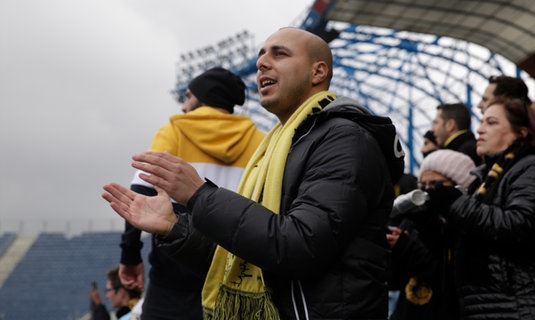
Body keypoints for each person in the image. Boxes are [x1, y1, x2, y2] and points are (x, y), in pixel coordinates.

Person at [103, 27, 405, 319]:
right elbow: (248, 257)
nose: (261, 63)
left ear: (318, 72)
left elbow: (298, 247)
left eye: (280, 53)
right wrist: (174, 227)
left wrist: (199, 195)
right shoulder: (273, 146)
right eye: (261, 55)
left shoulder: (345, 140)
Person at [118, 67, 265, 320]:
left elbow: (139, 196)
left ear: (204, 97)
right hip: (233, 278)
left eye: (188, 97)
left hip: (171, 280)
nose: (184, 107)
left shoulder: (175, 130)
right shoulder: (260, 141)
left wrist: (130, 256)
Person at [429, 97, 535, 319]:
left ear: (521, 133)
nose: (480, 130)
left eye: (492, 123)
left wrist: (457, 204)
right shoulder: (484, 180)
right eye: (482, 122)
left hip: (524, 306)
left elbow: (522, 225)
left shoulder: (532, 168)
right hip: (493, 307)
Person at [387, 149, 476, 320]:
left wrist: (405, 247)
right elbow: (394, 279)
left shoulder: (465, 224)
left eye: (435, 183)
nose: (428, 191)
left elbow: (445, 273)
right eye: (423, 185)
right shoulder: (414, 218)